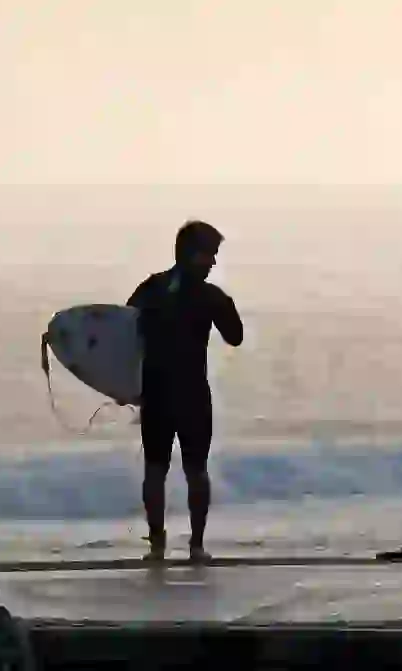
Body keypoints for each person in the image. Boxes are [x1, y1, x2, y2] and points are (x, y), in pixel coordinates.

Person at [127, 220, 244, 563]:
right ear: (193, 254)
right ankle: (196, 546)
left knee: (155, 469)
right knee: (196, 470)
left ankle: (157, 546)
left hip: (156, 394)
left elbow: (123, 333)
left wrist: (121, 382)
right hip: (192, 395)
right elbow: (235, 335)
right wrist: (224, 304)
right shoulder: (209, 296)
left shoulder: (151, 288)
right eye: (210, 255)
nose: (213, 263)